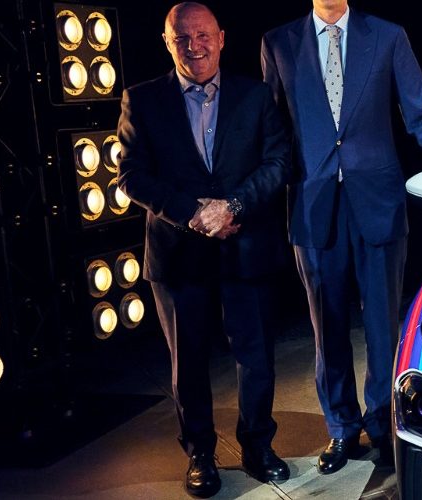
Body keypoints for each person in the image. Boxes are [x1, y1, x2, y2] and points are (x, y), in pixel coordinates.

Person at [260, 0, 422, 474]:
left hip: (378, 202)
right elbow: (272, 129)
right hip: (312, 204)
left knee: (383, 327)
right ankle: (341, 428)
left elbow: (421, 115)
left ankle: (383, 423)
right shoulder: (278, 43)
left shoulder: (388, 36)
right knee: (326, 327)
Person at [117, 2, 291, 496]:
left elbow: (279, 163)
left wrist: (232, 206)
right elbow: (130, 175)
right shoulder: (141, 99)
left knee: (255, 355)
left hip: (245, 245)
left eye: (202, 36)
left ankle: (258, 445)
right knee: (188, 361)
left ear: (221, 38)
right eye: (181, 38)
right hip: (177, 253)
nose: (194, 47)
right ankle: (200, 454)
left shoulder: (256, 96)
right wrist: (193, 214)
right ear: (166, 42)